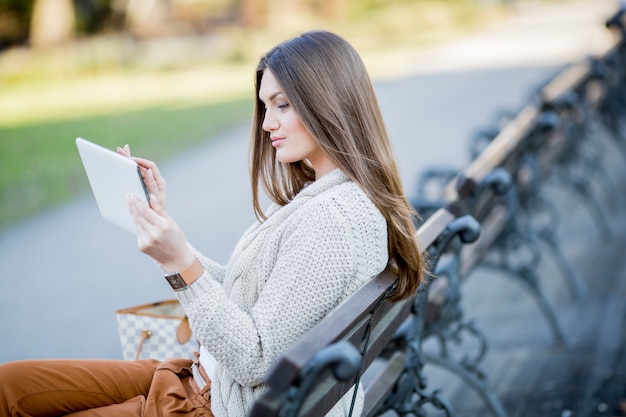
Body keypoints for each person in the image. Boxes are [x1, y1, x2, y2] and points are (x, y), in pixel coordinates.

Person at [0, 30, 424, 417]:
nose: (267, 123)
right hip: (198, 379)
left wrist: (180, 263)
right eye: (264, 106)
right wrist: (164, 233)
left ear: (329, 101)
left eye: (282, 104)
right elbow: (254, 304)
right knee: (11, 384)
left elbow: (255, 357)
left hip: (212, 404)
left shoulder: (334, 220)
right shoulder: (331, 199)